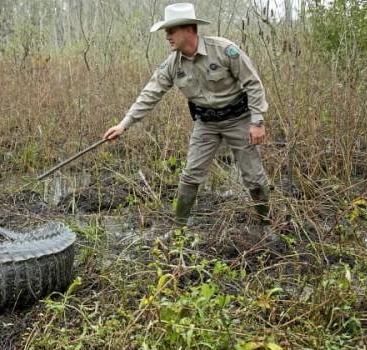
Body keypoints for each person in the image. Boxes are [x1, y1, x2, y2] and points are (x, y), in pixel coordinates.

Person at [104, 3, 273, 231]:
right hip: (206, 124)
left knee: (253, 176)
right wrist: (123, 125)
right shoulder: (172, 64)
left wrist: (257, 121)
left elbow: (253, 84)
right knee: (190, 175)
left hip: (239, 120)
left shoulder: (224, 50)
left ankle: (266, 224)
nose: (167, 37)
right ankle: (179, 228)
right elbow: (150, 94)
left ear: (189, 30)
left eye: (171, 31)